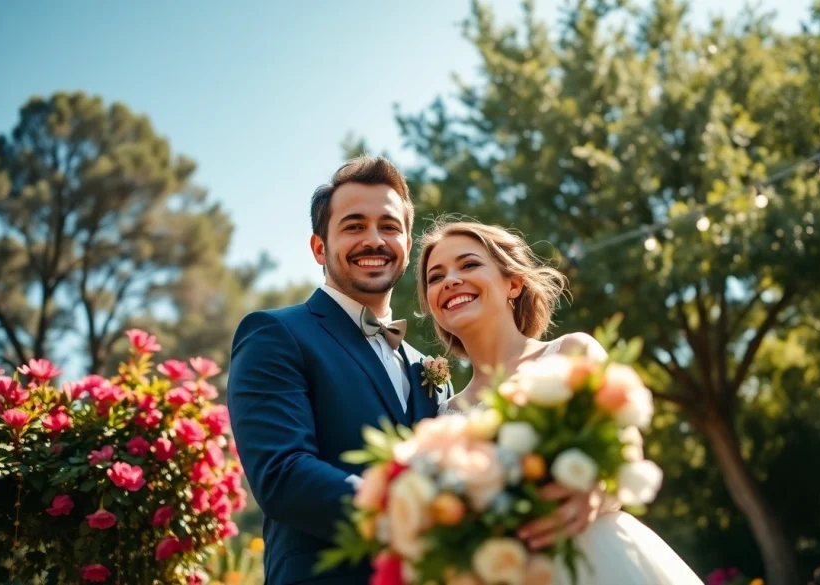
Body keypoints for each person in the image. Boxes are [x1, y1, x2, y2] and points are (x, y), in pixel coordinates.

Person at [227, 157, 606, 585]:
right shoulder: (276, 334)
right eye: (354, 226)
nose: (374, 240)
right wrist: (425, 512)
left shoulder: (431, 373)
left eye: (388, 227)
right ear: (319, 247)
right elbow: (283, 475)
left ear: (406, 244)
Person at [417, 218, 706, 585]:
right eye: (435, 277)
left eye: (469, 264)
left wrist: (596, 493)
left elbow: (628, 448)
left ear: (514, 283)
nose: (450, 281)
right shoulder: (445, 417)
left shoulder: (571, 352)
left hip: (598, 558)